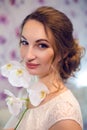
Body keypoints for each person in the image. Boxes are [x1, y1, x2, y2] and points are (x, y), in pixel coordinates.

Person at [4, 6, 84, 130]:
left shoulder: (64, 115)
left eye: (42, 45)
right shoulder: (28, 91)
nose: (28, 56)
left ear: (63, 52)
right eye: (25, 42)